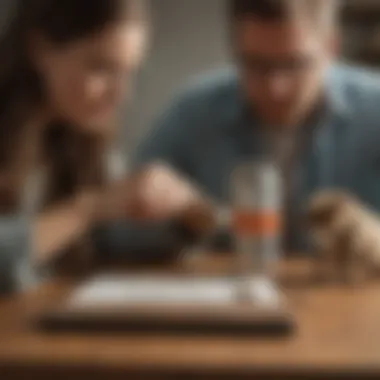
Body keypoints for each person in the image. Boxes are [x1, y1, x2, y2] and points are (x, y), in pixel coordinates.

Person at [133, 0, 380, 253]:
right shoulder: (194, 113)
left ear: (331, 48)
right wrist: (176, 220)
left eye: (293, 64)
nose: (276, 88)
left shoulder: (375, 112)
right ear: (234, 51)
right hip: (232, 288)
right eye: (256, 65)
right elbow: (115, 234)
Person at [0, 0, 212, 294]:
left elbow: (117, 240)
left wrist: (187, 214)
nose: (121, 95)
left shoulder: (82, 138)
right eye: (101, 68)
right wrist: (88, 209)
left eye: (128, 72)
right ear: (40, 49)